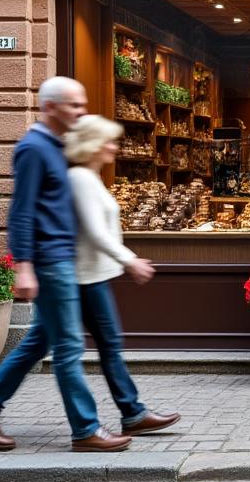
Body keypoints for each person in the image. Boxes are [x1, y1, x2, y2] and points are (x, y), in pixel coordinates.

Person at [0, 77, 131, 453]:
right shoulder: (34, 148)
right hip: (51, 261)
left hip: (63, 258)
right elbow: (20, 213)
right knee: (69, 347)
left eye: (83, 105)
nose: (81, 112)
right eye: (74, 106)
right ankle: (85, 430)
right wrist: (23, 265)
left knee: (39, 342)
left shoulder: (58, 147)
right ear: (50, 107)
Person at [64, 114, 180, 436]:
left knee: (101, 344)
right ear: (92, 145)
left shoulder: (90, 176)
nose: (116, 147)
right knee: (107, 344)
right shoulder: (82, 179)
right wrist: (129, 260)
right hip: (86, 277)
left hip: (91, 275)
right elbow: (95, 231)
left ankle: (132, 412)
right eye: (109, 141)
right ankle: (131, 413)